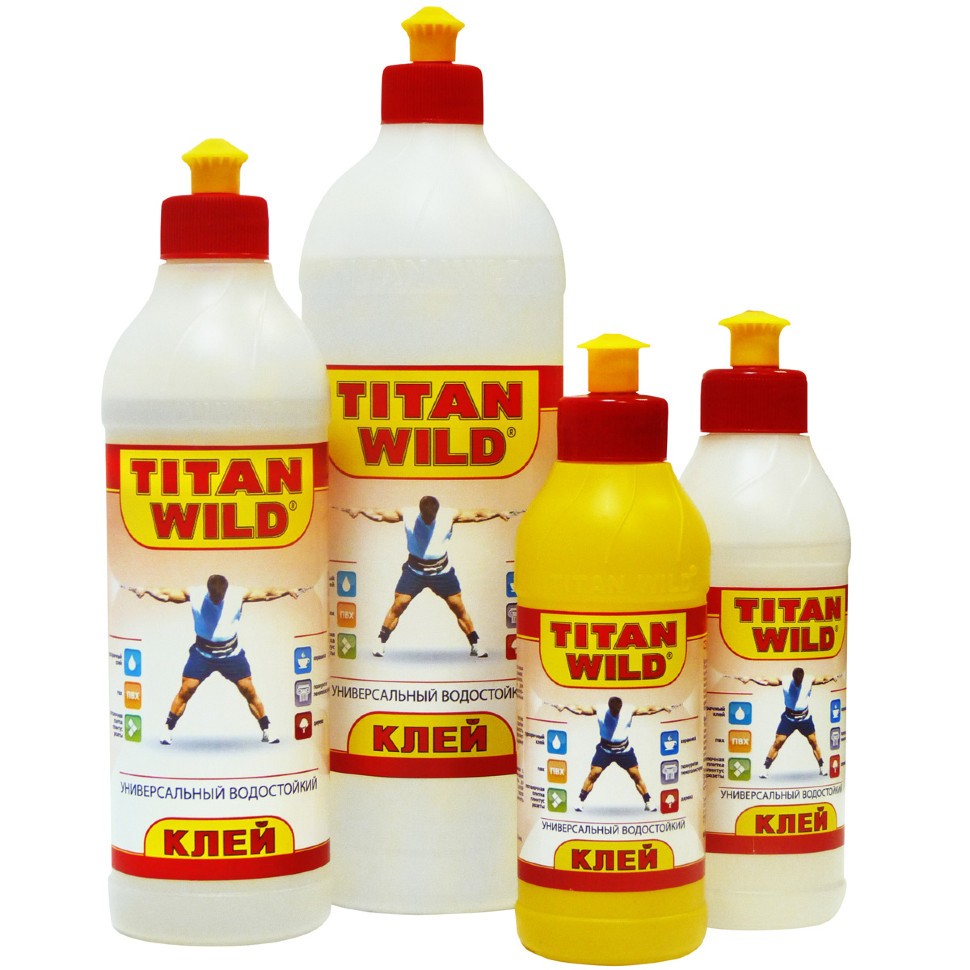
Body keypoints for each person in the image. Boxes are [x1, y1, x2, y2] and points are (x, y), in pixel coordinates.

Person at [125, 575, 307, 744]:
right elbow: (166, 594)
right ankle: (167, 728)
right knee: (186, 690)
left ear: (226, 591)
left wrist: (288, 590)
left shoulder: (237, 594)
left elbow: (267, 594)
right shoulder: (195, 594)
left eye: (220, 596)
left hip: (231, 655)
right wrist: (146, 589)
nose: (217, 599)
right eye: (214, 596)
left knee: (249, 691)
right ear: (208, 591)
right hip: (202, 654)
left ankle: (266, 728)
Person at [336, 497, 521, 658]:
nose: (428, 520)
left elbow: (476, 515)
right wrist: (360, 510)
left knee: (458, 607)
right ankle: (380, 641)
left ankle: (475, 643)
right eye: (426, 517)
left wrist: (498, 513)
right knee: (399, 603)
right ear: (420, 511)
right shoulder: (408, 514)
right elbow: (380, 514)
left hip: (441, 572)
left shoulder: (447, 515)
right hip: (414, 571)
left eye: (431, 517)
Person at [554, 697, 671, 812]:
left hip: (624, 751)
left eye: (617, 711)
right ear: (609, 707)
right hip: (605, 750)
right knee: (594, 773)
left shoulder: (628, 710)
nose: (615, 713)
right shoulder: (600, 710)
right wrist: (565, 706)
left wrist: (663, 707)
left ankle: (648, 801)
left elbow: (648, 710)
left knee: (636, 775)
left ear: (621, 707)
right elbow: (580, 709)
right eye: (613, 711)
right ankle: (580, 800)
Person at [735, 668, 842, 777]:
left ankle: (822, 767)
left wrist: (832, 677)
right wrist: (750, 678)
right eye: (796, 680)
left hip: (804, 719)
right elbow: (765, 681)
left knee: (813, 742)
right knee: (778, 742)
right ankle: (765, 769)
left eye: (800, 680)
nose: (798, 682)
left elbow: (823, 679)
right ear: (793, 677)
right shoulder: (785, 680)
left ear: (803, 677)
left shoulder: (808, 680)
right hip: (789, 719)